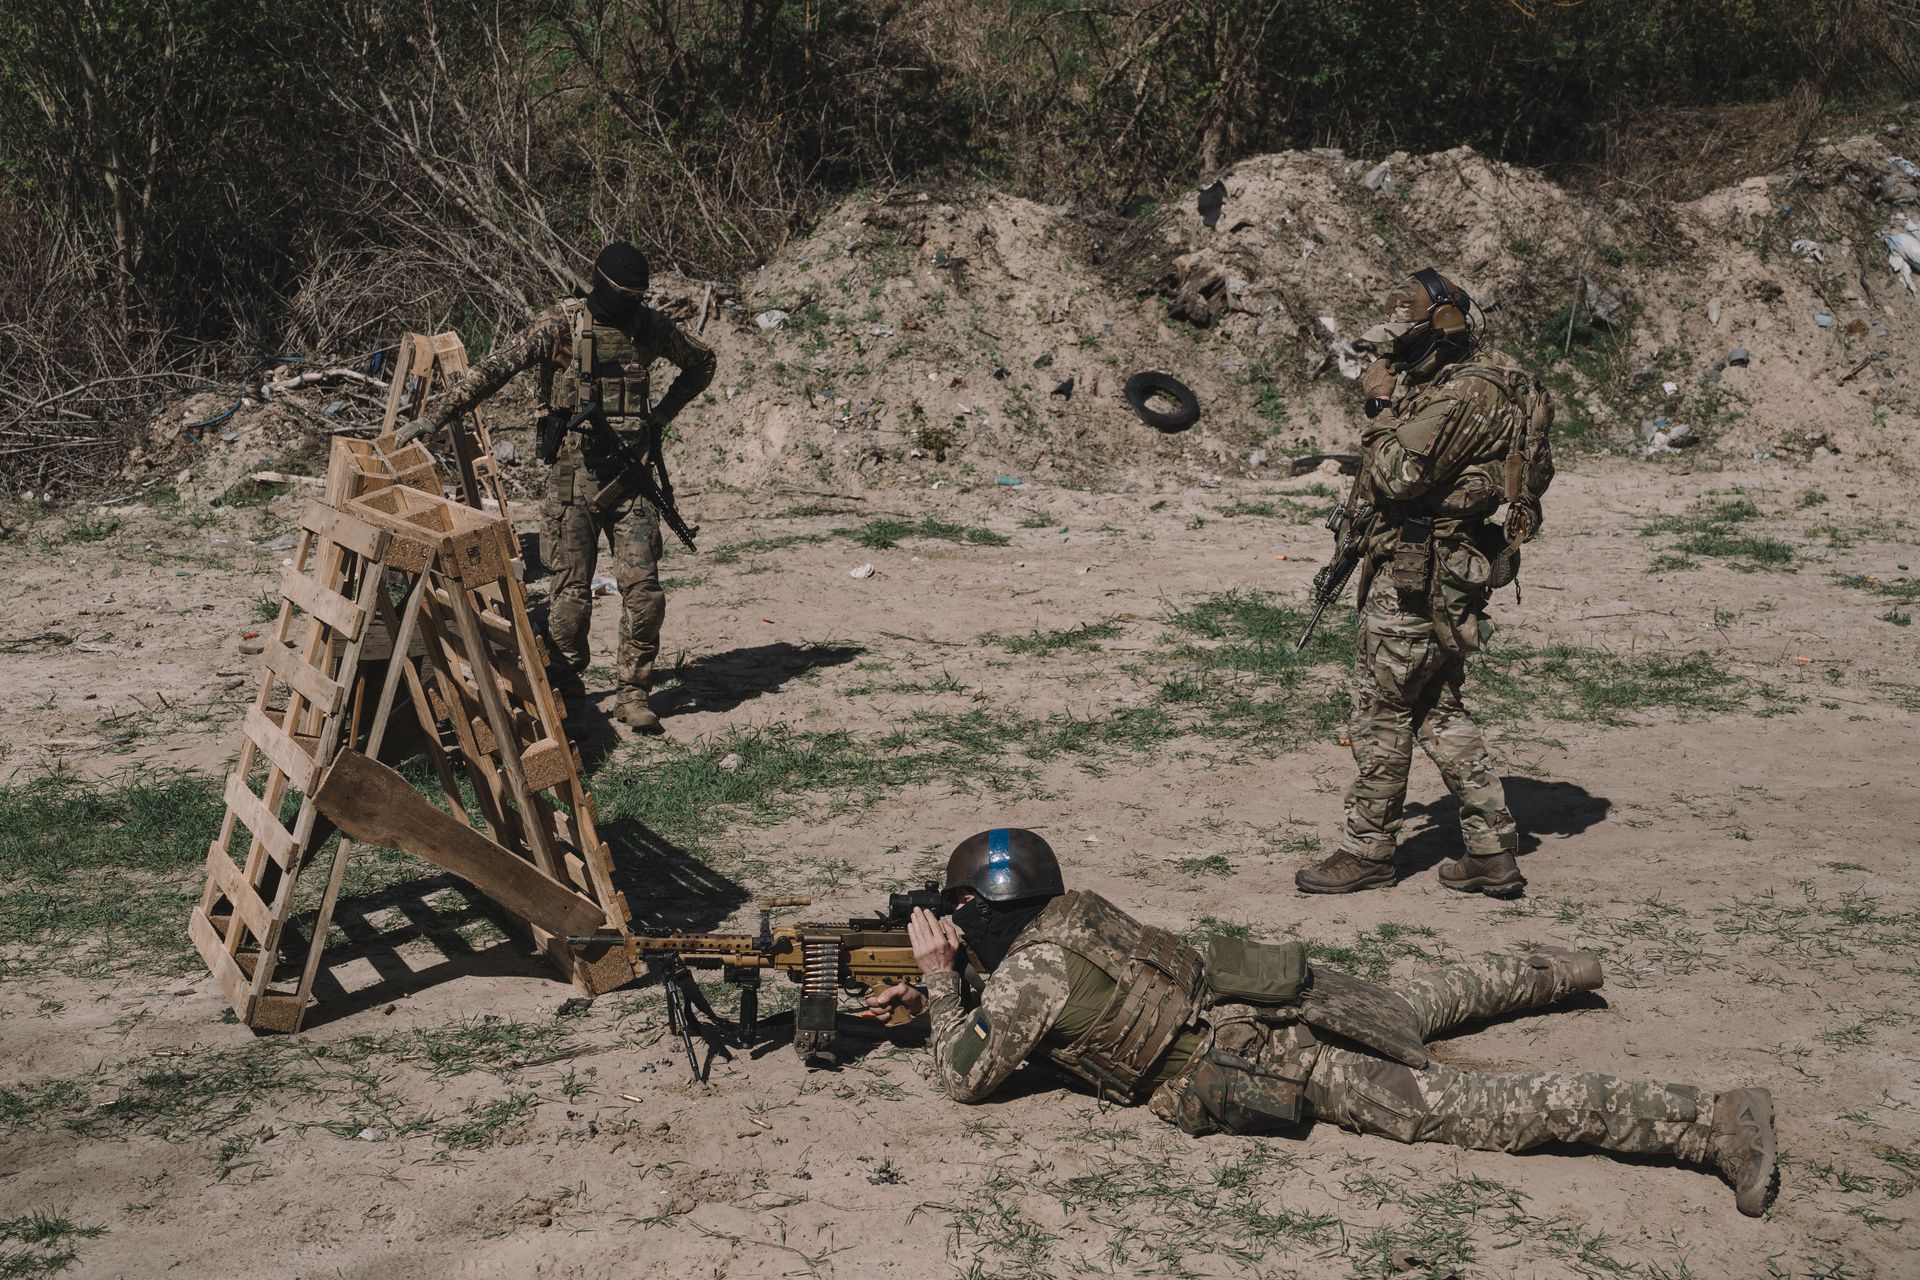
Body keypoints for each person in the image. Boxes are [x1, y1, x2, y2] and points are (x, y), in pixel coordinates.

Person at [863, 829, 1778, 1217]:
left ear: (977, 911)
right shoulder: (1071, 921)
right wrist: (949, 995)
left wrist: (941, 986)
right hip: (1269, 994)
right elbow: (1056, 1004)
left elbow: (963, 1078)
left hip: (1258, 1057)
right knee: (1417, 1000)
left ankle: (1710, 1122)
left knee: (1469, 1108)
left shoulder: (1023, 975)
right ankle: (1557, 970)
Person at [1297, 268, 1548, 897]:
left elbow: (1396, 476)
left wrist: (1379, 406)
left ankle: (1369, 852)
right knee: (1436, 706)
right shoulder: (1496, 386)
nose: (1396, 358)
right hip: (1447, 569)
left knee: (1380, 708)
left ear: (1445, 330)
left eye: (1405, 345)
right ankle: (1492, 850)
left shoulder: (1462, 397)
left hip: (1418, 573)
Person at [401, 242, 716, 733]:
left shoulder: (647, 326)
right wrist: (434, 417)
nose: (633, 304)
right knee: (570, 597)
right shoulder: (561, 327)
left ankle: (633, 692)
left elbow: (702, 362)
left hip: (631, 479)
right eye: (625, 295)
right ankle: (566, 690)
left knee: (646, 593)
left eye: (640, 296)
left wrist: (661, 417)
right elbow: (492, 370)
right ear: (602, 285)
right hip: (573, 482)